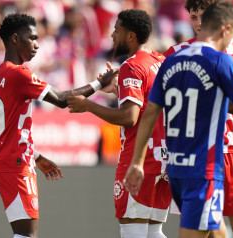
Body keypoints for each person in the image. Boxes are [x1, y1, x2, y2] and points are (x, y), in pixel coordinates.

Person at [123, 2, 233, 238]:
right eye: (193, 16)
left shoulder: (173, 59)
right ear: (227, 29)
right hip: (206, 165)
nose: (197, 22)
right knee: (225, 229)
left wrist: (137, 161)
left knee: (214, 228)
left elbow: (150, 111)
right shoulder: (221, 60)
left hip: (184, 163)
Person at [0, 13, 118, 238]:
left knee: (23, 233)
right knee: (27, 235)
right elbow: (62, 99)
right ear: (14, 39)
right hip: (15, 163)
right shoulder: (19, 74)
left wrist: (36, 155)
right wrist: (100, 82)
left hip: (6, 159)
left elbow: (10, 128)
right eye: (32, 38)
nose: (37, 45)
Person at [67, 9, 171, 238]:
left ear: (131, 36)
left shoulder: (131, 66)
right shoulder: (160, 60)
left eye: (117, 30)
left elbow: (130, 116)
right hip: (163, 158)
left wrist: (88, 105)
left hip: (140, 158)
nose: (112, 36)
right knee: (153, 231)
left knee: (132, 231)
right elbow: (146, 102)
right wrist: (117, 89)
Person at [164, 1, 233, 236]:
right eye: (193, 17)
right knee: (207, 227)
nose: (199, 23)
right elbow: (153, 94)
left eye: (203, 16)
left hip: (232, 150)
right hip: (196, 155)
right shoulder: (176, 52)